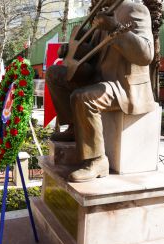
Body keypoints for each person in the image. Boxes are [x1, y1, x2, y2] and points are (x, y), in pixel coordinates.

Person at [45, 0, 155, 182]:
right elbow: (94, 52)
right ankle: (74, 128)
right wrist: (71, 49)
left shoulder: (135, 10)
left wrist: (115, 27)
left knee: (84, 97)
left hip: (123, 85)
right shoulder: (103, 13)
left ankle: (97, 160)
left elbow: (146, 54)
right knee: (54, 74)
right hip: (99, 79)